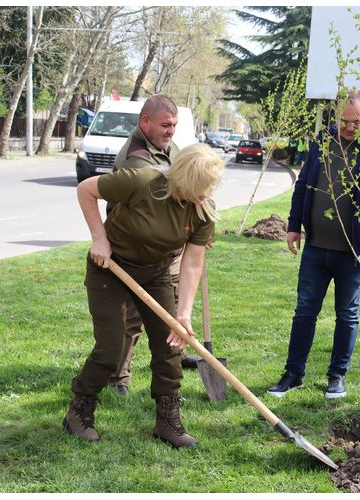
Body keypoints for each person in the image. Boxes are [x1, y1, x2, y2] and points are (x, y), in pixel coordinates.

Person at [64, 143, 223, 447]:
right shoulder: (141, 181)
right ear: (183, 178)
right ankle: (79, 409)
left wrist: (183, 313)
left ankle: (168, 421)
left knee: (171, 344)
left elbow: (192, 264)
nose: (205, 196)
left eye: (209, 189)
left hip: (155, 273)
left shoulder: (202, 209)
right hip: (110, 267)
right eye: (200, 188)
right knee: (111, 349)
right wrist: (99, 239)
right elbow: (86, 189)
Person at [267, 90, 360, 399]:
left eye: (356, 121)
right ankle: (293, 374)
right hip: (316, 249)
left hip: (354, 252)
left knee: (347, 314)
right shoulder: (322, 143)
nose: (349, 127)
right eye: (344, 121)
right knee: (304, 312)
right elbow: (303, 186)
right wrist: (294, 226)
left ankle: (337, 375)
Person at [106, 95, 202, 397]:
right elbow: (164, 195)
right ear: (144, 122)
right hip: (138, 249)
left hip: (166, 247)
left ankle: (172, 354)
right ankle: (118, 376)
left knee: (172, 305)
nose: (170, 131)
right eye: (165, 125)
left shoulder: (165, 146)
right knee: (133, 315)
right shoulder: (136, 159)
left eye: (174, 125)